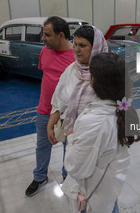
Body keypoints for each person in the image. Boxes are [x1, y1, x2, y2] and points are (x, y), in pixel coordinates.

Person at [61, 53, 140, 213]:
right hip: (107, 189)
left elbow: (76, 168)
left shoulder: (95, 121)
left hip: (92, 195)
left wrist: (70, 136)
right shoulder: (119, 109)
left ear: (96, 81)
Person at [46, 25, 108, 175]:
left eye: (82, 45)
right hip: (73, 136)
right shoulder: (72, 70)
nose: (76, 49)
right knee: (71, 173)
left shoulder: (107, 73)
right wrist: (51, 123)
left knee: (97, 180)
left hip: (99, 139)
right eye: (75, 44)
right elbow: (60, 99)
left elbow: (116, 108)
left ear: (96, 47)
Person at [25, 16, 75, 197]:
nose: (42, 38)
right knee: (42, 145)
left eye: (47, 34)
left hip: (69, 112)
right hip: (45, 109)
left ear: (61, 35)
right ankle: (39, 177)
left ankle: (67, 176)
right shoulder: (44, 51)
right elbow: (46, 76)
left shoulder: (77, 55)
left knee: (68, 146)